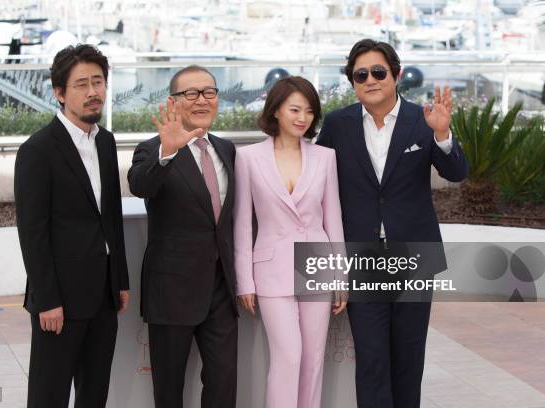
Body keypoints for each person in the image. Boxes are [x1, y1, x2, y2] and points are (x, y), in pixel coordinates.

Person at [317, 39, 469, 408]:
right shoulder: (338, 124)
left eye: (379, 72)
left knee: (409, 357)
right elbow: (316, 177)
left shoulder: (425, 119)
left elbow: (456, 172)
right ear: (353, 82)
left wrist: (442, 135)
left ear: (397, 75)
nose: (370, 79)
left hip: (414, 254)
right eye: (361, 74)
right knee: (370, 360)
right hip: (363, 256)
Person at [14, 44, 130, 408]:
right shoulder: (38, 150)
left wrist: (120, 280)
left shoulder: (106, 143)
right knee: (49, 394)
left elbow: (111, 218)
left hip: (103, 296)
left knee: (94, 393)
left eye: (98, 82)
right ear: (60, 93)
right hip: (59, 301)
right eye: (82, 84)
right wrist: (47, 300)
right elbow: (33, 232)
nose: (93, 92)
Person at [127, 65, 238, 408]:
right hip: (172, 291)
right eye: (191, 93)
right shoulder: (153, 149)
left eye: (209, 92)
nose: (202, 100)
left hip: (221, 289)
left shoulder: (226, 149)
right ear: (173, 102)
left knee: (223, 384)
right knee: (169, 390)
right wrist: (168, 152)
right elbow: (140, 185)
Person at [234, 76, 345, 408]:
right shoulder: (249, 157)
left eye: (309, 111)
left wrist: (341, 276)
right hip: (270, 271)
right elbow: (241, 223)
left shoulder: (325, 157)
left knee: (313, 359)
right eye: (295, 109)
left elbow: (333, 219)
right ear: (276, 111)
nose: (303, 118)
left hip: (318, 264)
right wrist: (245, 281)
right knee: (289, 356)